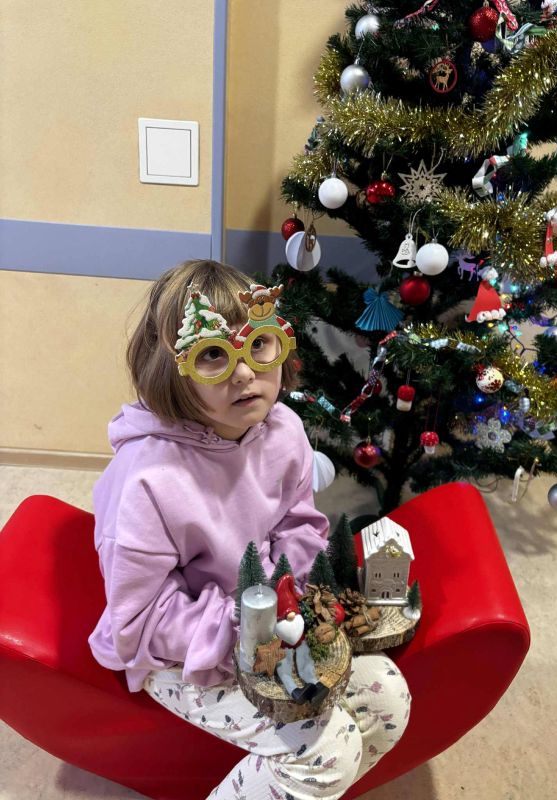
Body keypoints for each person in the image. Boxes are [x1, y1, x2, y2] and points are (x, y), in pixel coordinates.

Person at [88, 259, 411, 800]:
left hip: (276, 624)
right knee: (325, 750)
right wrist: (250, 624)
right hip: (183, 653)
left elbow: (297, 523)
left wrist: (293, 598)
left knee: (388, 699)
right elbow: (138, 621)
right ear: (170, 369)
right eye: (212, 354)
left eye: (258, 345)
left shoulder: (283, 429)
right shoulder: (146, 479)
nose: (243, 373)